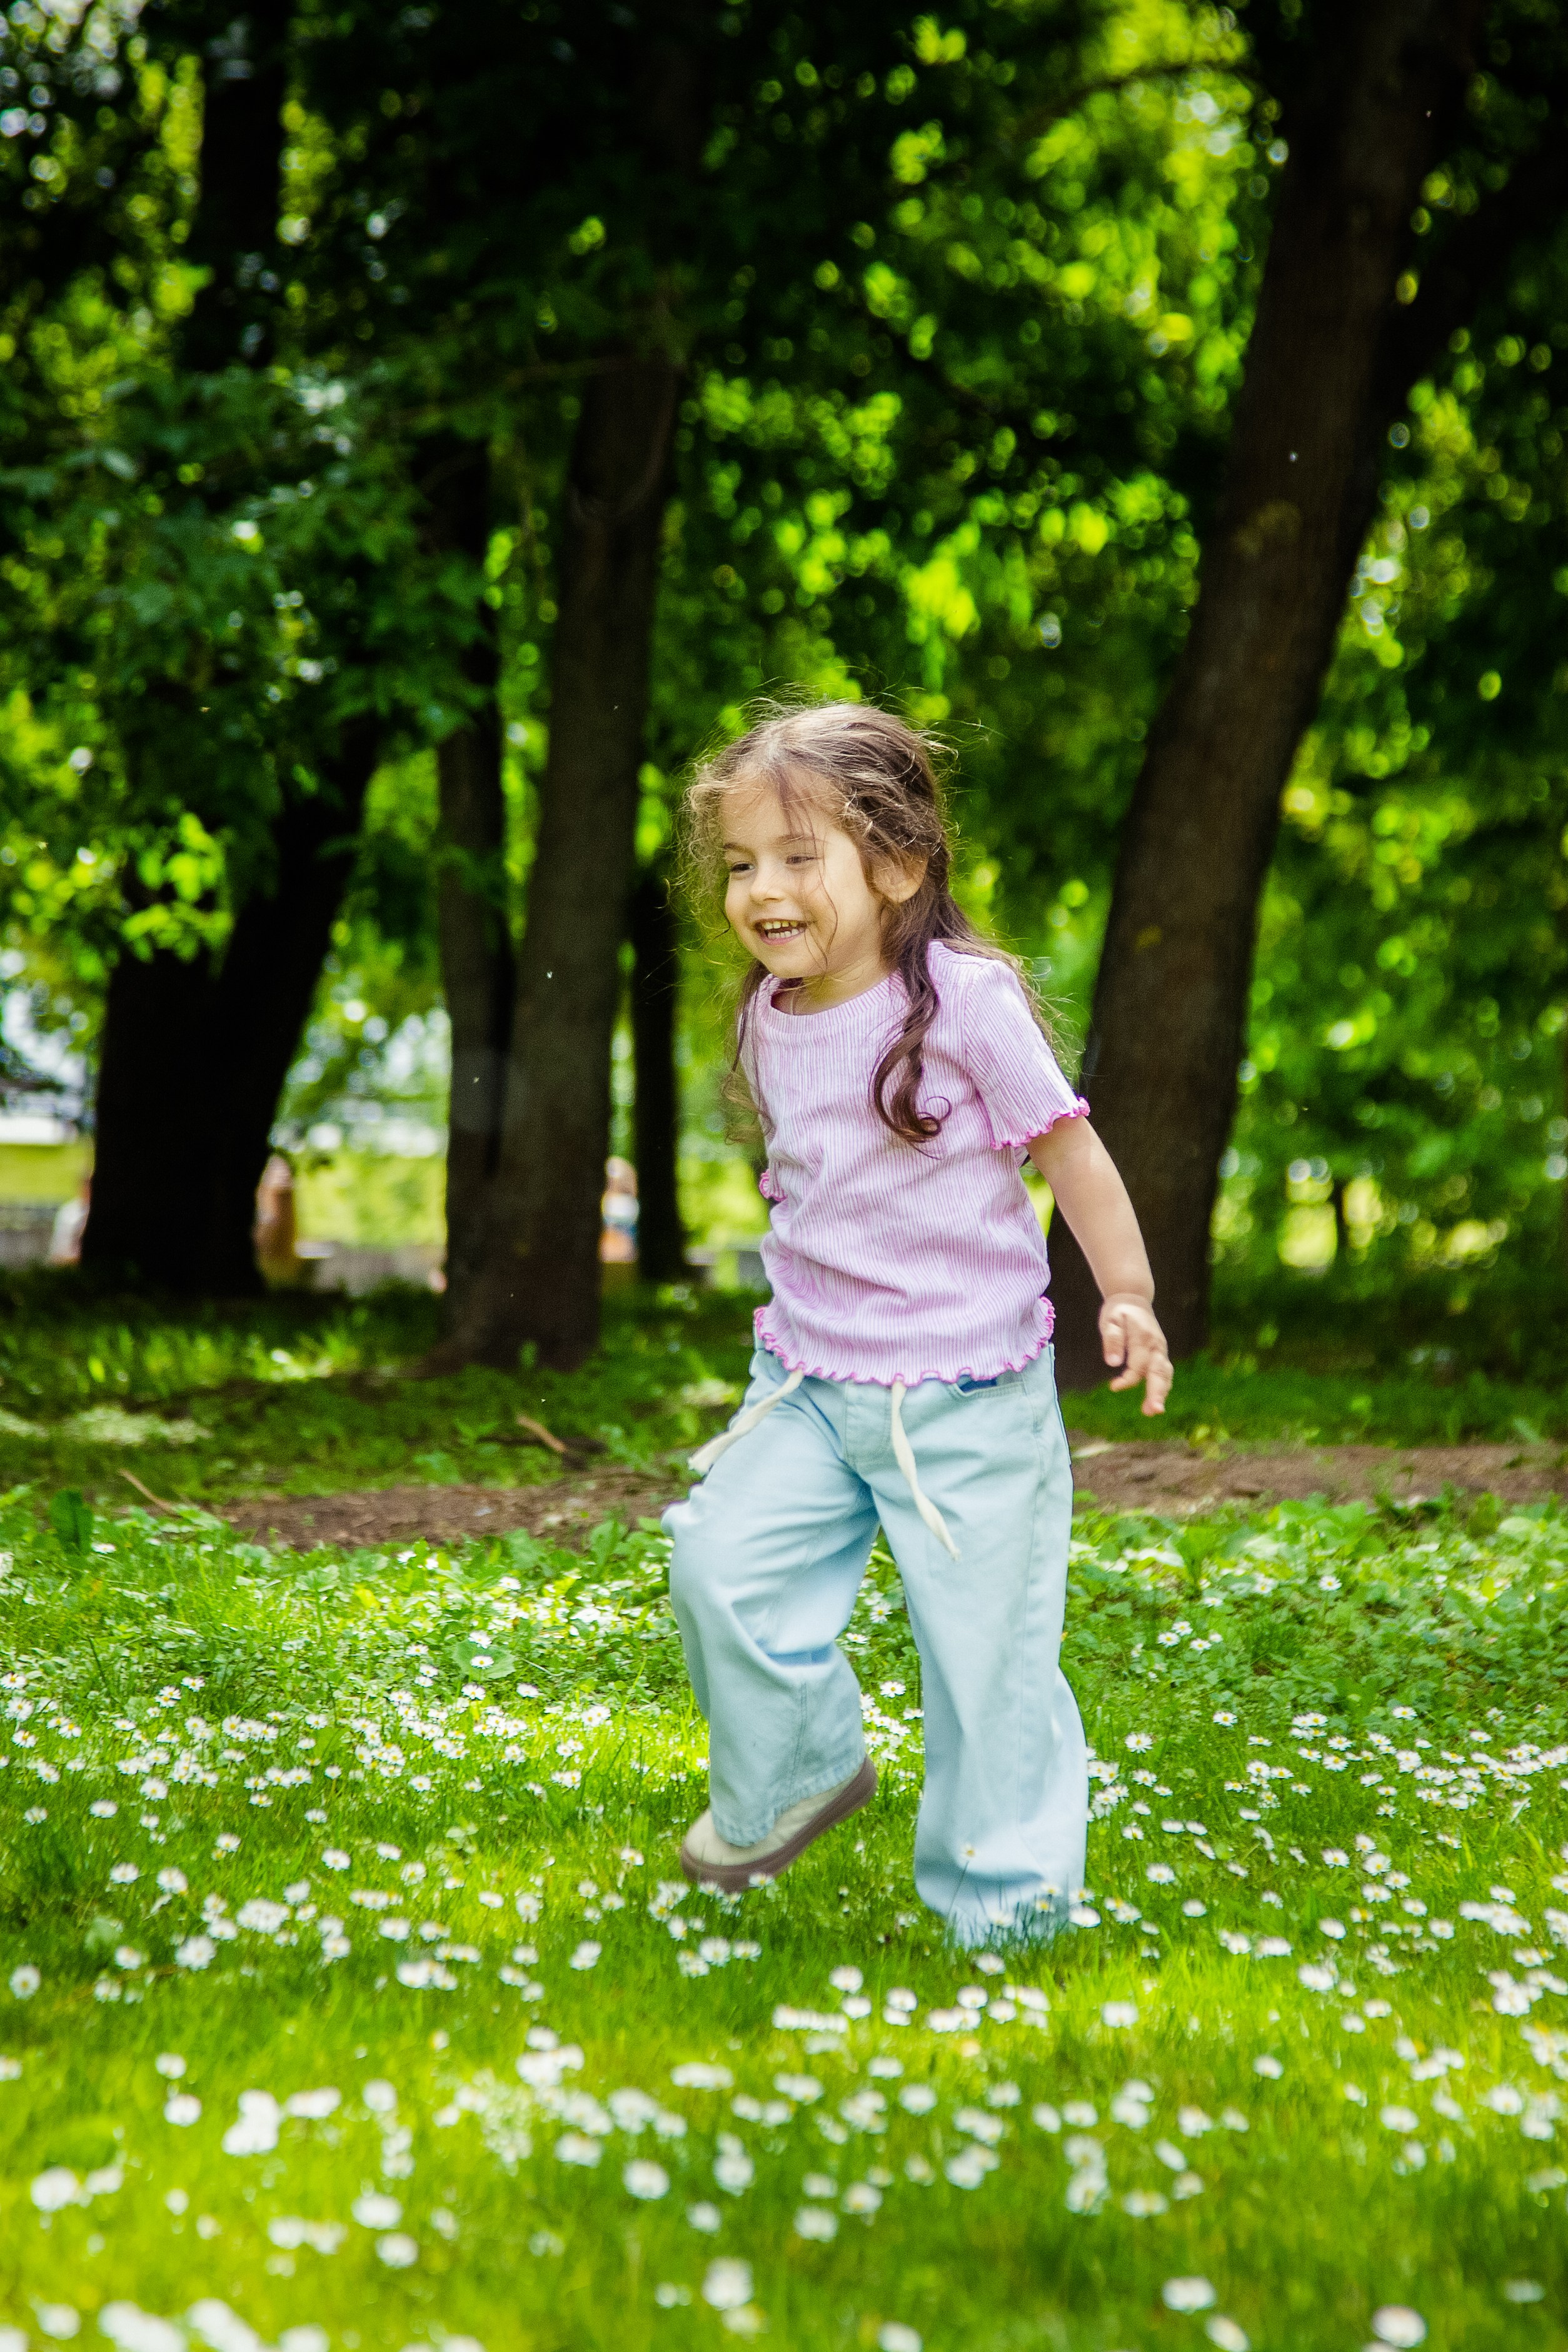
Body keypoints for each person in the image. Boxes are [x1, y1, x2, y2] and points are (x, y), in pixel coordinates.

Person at [663, 701, 1172, 1947]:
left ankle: (1002, 1916)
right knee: (716, 1566)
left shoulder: (963, 1002)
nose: (761, 891)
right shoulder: (765, 1015)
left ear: (897, 865)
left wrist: (1130, 1294)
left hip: (965, 1398)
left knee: (986, 1668)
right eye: (741, 865)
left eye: (797, 857)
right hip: (810, 1383)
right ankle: (799, 1772)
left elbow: (1071, 1152)